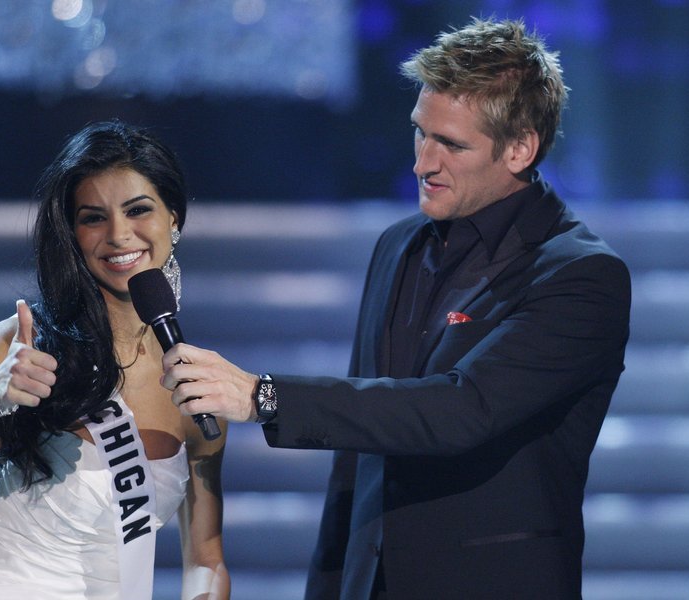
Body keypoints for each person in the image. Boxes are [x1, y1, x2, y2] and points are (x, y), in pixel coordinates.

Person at [160, 17, 631, 600]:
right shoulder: (397, 246)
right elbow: (356, 460)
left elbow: (463, 410)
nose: (423, 163)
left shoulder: (580, 276)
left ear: (519, 149)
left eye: (451, 144)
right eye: (420, 133)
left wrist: (265, 396)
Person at [0, 120, 230, 599]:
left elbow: (206, 559)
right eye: (94, 218)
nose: (119, 235)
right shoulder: (26, 343)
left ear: (173, 219)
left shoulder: (196, 388)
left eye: (138, 210)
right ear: (72, 232)